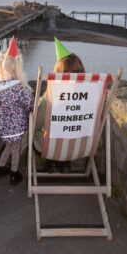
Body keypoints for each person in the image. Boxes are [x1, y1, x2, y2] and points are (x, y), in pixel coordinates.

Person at [34, 37, 85, 173]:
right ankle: (64, 163)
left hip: (50, 148)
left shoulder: (49, 99)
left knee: (36, 129)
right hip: (79, 147)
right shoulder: (89, 98)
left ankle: (51, 162)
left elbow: (36, 124)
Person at [0, 37, 34, 185]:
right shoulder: (20, 88)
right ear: (18, 67)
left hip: (2, 127)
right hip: (17, 127)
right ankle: (14, 173)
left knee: (8, 146)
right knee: (16, 149)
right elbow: (30, 105)